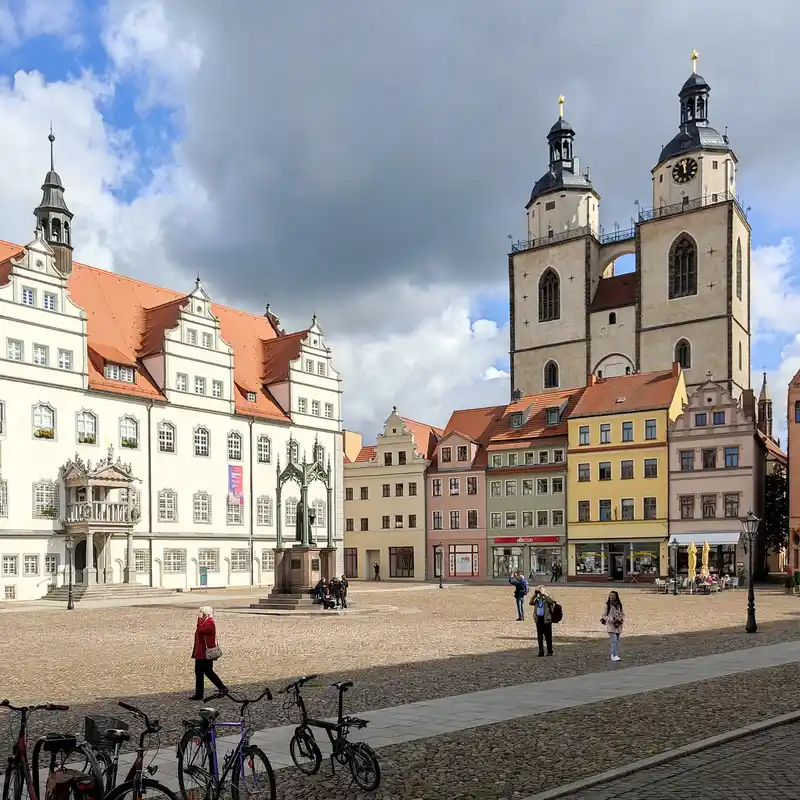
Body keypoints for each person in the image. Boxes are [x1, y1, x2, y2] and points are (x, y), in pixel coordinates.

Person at [190, 606, 227, 700]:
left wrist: (199, 619)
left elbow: (201, 630)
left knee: (208, 671)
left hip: (205, 653)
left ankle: (222, 687)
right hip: (200, 652)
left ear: (205, 613)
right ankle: (199, 694)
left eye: (201, 613)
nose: (200, 614)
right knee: (200, 672)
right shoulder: (206, 621)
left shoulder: (210, 622)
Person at [530, 587, 555, 657]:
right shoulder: (537, 599)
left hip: (546, 619)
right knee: (540, 636)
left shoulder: (547, 599)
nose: (539, 593)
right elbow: (531, 602)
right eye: (538, 592)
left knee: (548, 636)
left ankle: (550, 651)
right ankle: (541, 652)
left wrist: (545, 595)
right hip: (539, 619)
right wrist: (534, 595)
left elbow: (552, 602)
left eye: (540, 592)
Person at [601, 591, 625, 662]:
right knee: (614, 640)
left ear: (616, 596)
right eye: (610, 595)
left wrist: (621, 620)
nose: (611, 597)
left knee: (616, 641)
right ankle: (614, 655)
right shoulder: (607, 605)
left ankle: (614, 654)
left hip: (618, 625)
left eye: (613, 596)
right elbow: (604, 615)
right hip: (611, 625)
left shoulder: (619, 605)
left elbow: (623, 614)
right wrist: (612, 620)